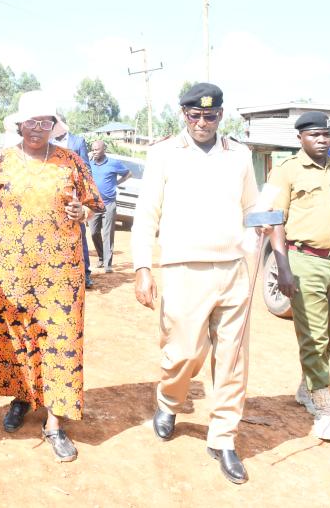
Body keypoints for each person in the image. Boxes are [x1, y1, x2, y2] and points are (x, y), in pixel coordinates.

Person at [0, 91, 103, 462]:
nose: (38, 129)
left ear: (54, 126)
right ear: (20, 125)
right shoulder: (1, 162)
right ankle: (22, 397)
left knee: (61, 341)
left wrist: (81, 213)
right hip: (11, 273)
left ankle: (55, 423)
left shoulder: (71, 161)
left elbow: (91, 205)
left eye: (45, 122)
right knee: (18, 337)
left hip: (62, 275)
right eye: (32, 122)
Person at [132, 83, 258, 485]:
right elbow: (146, 214)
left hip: (233, 269)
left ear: (222, 115)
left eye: (210, 115)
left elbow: (251, 206)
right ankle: (169, 400)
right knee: (184, 352)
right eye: (194, 115)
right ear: (183, 114)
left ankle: (223, 438)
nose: (202, 122)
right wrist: (142, 268)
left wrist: (254, 241)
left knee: (233, 359)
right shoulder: (164, 153)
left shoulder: (239, 154)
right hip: (183, 268)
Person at [267, 111, 330, 441]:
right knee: (313, 337)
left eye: (326, 134)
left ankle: (307, 387)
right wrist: (282, 267)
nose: (322, 140)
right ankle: (325, 411)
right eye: (314, 135)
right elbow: (275, 221)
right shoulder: (287, 172)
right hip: (304, 261)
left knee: (328, 334)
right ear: (300, 139)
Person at [52, 122, 95, 288]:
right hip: (54, 197)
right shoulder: (48, 143)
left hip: (74, 199)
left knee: (80, 235)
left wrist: (84, 199)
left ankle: (86, 273)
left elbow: (86, 170)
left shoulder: (77, 142)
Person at [89, 140, 130, 273]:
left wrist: (117, 182)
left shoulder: (113, 163)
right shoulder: (89, 163)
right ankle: (101, 257)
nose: (94, 152)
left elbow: (128, 173)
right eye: (93, 149)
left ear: (104, 149)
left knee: (107, 234)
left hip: (109, 204)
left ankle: (108, 264)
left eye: (97, 149)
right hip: (94, 205)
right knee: (94, 233)